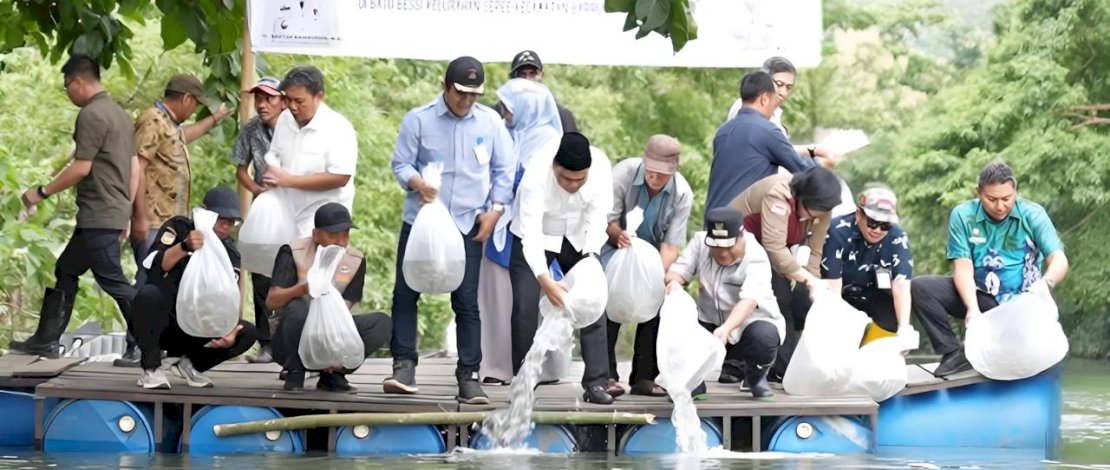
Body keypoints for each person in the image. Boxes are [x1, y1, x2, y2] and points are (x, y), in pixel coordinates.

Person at [385, 56, 515, 404]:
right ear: (446, 87)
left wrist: (496, 211)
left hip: (468, 222)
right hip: (422, 221)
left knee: (467, 301)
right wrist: (415, 182)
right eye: (461, 93)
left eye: (474, 94)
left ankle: (469, 375)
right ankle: (403, 365)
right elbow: (400, 163)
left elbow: (505, 170)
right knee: (405, 292)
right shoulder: (419, 119)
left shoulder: (491, 123)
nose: (467, 100)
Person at [12, 54, 137, 359]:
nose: (68, 94)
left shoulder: (92, 114)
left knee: (112, 280)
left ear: (78, 81)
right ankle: (46, 340)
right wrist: (128, 211)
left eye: (67, 86)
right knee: (66, 269)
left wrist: (40, 192)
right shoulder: (120, 114)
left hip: (100, 213)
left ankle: (150, 340)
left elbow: (82, 167)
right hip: (108, 211)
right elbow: (134, 168)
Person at [911, 161, 1068, 377]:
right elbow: (963, 267)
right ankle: (953, 353)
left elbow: (1058, 259)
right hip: (983, 297)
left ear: (1015, 191)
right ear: (979, 193)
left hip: (1022, 305)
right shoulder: (963, 215)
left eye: (1006, 199)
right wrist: (972, 308)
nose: (1000, 206)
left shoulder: (1033, 214)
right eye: (991, 199)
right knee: (920, 288)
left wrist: (1045, 285)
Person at [509, 132, 615, 405]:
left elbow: (597, 218)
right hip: (538, 236)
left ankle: (596, 383)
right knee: (524, 305)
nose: (573, 185)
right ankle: (524, 383)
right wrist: (545, 280)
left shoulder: (601, 169)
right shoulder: (535, 175)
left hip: (579, 236)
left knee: (593, 302)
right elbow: (530, 233)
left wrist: (591, 256)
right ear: (555, 167)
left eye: (580, 179)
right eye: (566, 179)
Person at [132, 188, 261, 389]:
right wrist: (184, 247)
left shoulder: (230, 253)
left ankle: (190, 364)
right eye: (220, 219)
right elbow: (155, 267)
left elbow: (225, 298)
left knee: (248, 332)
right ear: (204, 213)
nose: (225, 226)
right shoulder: (179, 227)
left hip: (200, 325)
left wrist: (227, 329)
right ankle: (152, 368)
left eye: (231, 221)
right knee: (147, 295)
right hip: (166, 319)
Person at [479, 78, 563, 386]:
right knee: (498, 301)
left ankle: (529, 369)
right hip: (503, 226)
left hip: (536, 230)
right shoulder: (509, 134)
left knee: (529, 303)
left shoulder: (549, 140)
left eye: (509, 107)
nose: (504, 113)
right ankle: (498, 366)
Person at [266, 203, 393, 392]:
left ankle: (333, 374)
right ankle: (295, 371)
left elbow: (345, 308)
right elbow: (272, 300)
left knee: (381, 323)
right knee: (299, 306)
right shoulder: (293, 251)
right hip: (289, 339)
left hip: (331, 333)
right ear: (316, 234)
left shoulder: (355, 259)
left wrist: (332, 348)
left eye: (345, 235)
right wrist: (302, 289)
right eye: (333, 235)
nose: (341, 242)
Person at [730, 167, 842, 380]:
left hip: (774, 250)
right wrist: (807, 278)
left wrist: (812, 285)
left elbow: (815, 251)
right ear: (802, 196)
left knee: (804, 301)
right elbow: (774, 248)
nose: (817, 216)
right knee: (780, 299)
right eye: (813, 210)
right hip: (740, 246)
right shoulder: (778, 195)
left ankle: (790, 363)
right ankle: (779, 369)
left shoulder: (823, 209)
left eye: (822, 211)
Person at [603, 134, 693, 397]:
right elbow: (605, 219)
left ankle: (644, 376)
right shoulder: (623, 174)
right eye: (651, 172)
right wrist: (617, 234)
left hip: (652, 256)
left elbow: (671, 245)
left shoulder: (681, 193)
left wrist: (655, 277)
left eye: (662, 175)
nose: (654, 179)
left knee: (658, 300)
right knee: (607, 301)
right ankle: (605, 375)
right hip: (614, 247)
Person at [664, 207, 784, 400]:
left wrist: (726, 329)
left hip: (747, 323)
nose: (722, 253)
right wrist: (674, 284)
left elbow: (750, 300)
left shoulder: (756, 254)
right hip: (709, 319)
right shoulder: (699, 242)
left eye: (728, 246)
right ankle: (693, 383)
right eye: (716, 246)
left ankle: (756, 377)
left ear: (741, 236)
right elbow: (678, 272)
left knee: (764, 336)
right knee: (675, 317)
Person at [131, 74, 234, 288]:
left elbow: (182, 137)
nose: (193, 112)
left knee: (165, 281)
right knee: (149, 279)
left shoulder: (169, 126)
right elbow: (137, 169)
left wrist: (215, 118)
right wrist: (139, 216)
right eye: (195, 105)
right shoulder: (153, 119)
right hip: (153, 220)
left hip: (169, 221)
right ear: (186, 99)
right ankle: (139, 320)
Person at [229, 76, 287, 364]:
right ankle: (267, 343)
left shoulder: (295, 128)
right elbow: (241, 168)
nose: (262, 104)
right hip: (264, 206)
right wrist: (256, 189)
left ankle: (290, 341)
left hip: (292, 205)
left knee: (290, 270)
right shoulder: (251, 129)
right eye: (258, 99)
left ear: (283, 101)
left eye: (269, 98)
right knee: (261, 272)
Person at [262, 65, 358, 237]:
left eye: (299, 101)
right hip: (286, 216)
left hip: (324, 222)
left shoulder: (338, 127)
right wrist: (272, 171)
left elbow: (340, 177)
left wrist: (289, 180)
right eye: (288, 99)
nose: (292, 107)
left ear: (319, 97)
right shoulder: (284, 119)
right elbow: (274, 154)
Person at [706, 71, 819, 212]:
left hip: (712, 218)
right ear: (764, 99)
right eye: (773, 103)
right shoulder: (767, 130)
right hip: (741, 223)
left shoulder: (722, 131)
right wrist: (821, 166)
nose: (773, 110)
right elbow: (802, 171)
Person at [822, 187, 915, 336]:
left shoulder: (897, 238)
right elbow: (832, 286)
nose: (877, 230)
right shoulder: (836, 231)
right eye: (873, 222)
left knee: (894, 316)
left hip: (872, 295)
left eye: (885, 225)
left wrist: (904, 326)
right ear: (859, 214)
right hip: (837, 295)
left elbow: (901, 284)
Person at [501, 50, 579, 133]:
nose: (528, 80)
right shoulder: (501, 115)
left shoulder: (561, 116)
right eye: (522, 74)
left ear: (542, 75)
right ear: (513, 79)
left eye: (532, 73)